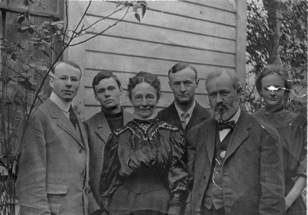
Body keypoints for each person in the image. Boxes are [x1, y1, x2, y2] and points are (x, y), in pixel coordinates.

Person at [185, 70, 286, 215]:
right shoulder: (198, 133)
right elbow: (190, 183)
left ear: (238, 93)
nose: (219, 100)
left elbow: (272, 195)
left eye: (224, 93)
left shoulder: (265, 134)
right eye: (213, 95)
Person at [99, 72, 188, 215]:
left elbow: (178, 178)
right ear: (130, 99)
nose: (144, 103)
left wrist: (175, 209)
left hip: (160, 205)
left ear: (158, 98)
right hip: (123, 204)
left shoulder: (172, 134)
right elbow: (108, 183)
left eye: (150, 97)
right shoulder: (118, 136)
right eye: (138, 97)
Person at [16, 61, 99, 215]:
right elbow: (30, 181)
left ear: (79, 84)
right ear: (52, 82)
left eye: (74, 80)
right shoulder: (37, 117)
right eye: (63, 78)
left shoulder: (77, 120)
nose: (69, 84)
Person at [253, 65, 306, 215]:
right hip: (258, 201)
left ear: (286, 91)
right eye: (267, 88)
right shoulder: (251, 122)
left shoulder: (298, 124)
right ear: (260, 92)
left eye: (277, 88)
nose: (272, 93)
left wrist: (285, 203)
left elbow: (305, 170)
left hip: (290, 200)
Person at [84, 71, 134, 203]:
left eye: (111, 88)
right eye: (101, 91)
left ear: (120, 90)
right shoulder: (88, 128)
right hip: (102, 206)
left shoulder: (137, 122)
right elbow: (83, 173)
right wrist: (94, 208)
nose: (107, 94)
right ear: (96, 96)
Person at [157, 63, 211, 134]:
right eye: (177, 84)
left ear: (197, 83)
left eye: (187, 83)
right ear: (170, 85)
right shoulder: (160, 119)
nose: (182, 89)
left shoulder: (209, 119)